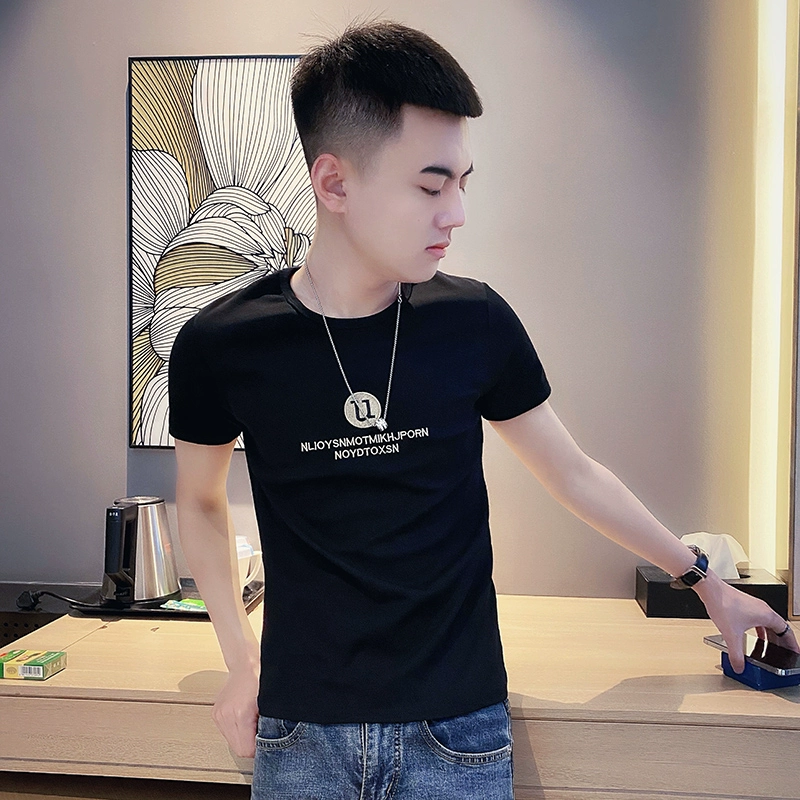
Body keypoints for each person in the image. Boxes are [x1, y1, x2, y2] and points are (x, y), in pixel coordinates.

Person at [168, 20, 799, 800]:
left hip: (457, 733)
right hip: (301, 733)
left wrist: (706, 583)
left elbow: (573, 474)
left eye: (463, 183)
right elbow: (198, 501)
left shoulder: (474, 321)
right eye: (431, 187)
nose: (457, 212)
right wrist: (241, 661)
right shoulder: (223, 344)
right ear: (334, 184)